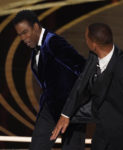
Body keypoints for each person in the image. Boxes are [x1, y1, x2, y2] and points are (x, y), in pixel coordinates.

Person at [51, 23, 123, 150]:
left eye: (86, 36)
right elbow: (81, 83)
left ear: (94, 44)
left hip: (121, 131)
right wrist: (66, 115)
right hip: (102, 124)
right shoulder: (94, 56)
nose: (85, 39)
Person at [13, 10, 86, 150]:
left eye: (25, 32)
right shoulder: (35, 50)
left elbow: (82, 67)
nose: (23, 38)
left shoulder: (53, 41)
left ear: (35, 27)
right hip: (49, 109)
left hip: (71, 110)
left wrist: (76, 103)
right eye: (20, 35)